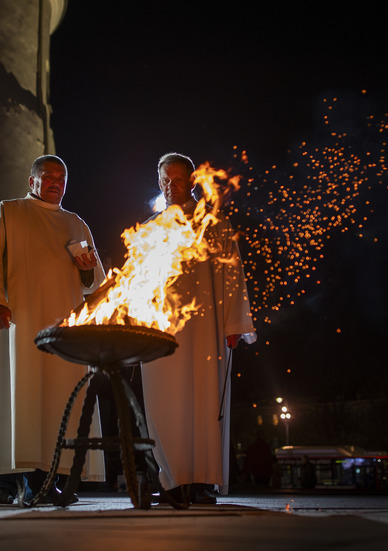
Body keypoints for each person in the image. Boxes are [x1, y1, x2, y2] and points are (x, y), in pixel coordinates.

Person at [0, 154, 106, 504]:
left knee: (55, 401)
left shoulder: (77, 223)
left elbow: (96, 286)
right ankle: (2, 481)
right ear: (31, 181)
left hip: (62, 327)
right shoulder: (8, 211)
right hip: (17, 320)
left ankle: (47, 478)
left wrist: (85, 269)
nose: (56, 183)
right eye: (48, 176)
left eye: (62, 177)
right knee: (13, 395)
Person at [141, 152, 256, 506]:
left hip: (207, 330)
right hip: (161, 334)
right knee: (164, 407)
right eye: (164, 180)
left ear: (192, 181)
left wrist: (234, 324)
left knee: (205, 405)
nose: (170, 186)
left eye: (177, 179)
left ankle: (203, 480)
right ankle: (171, 481)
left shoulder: (215, 224)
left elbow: (232, 276)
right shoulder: (148, 230)